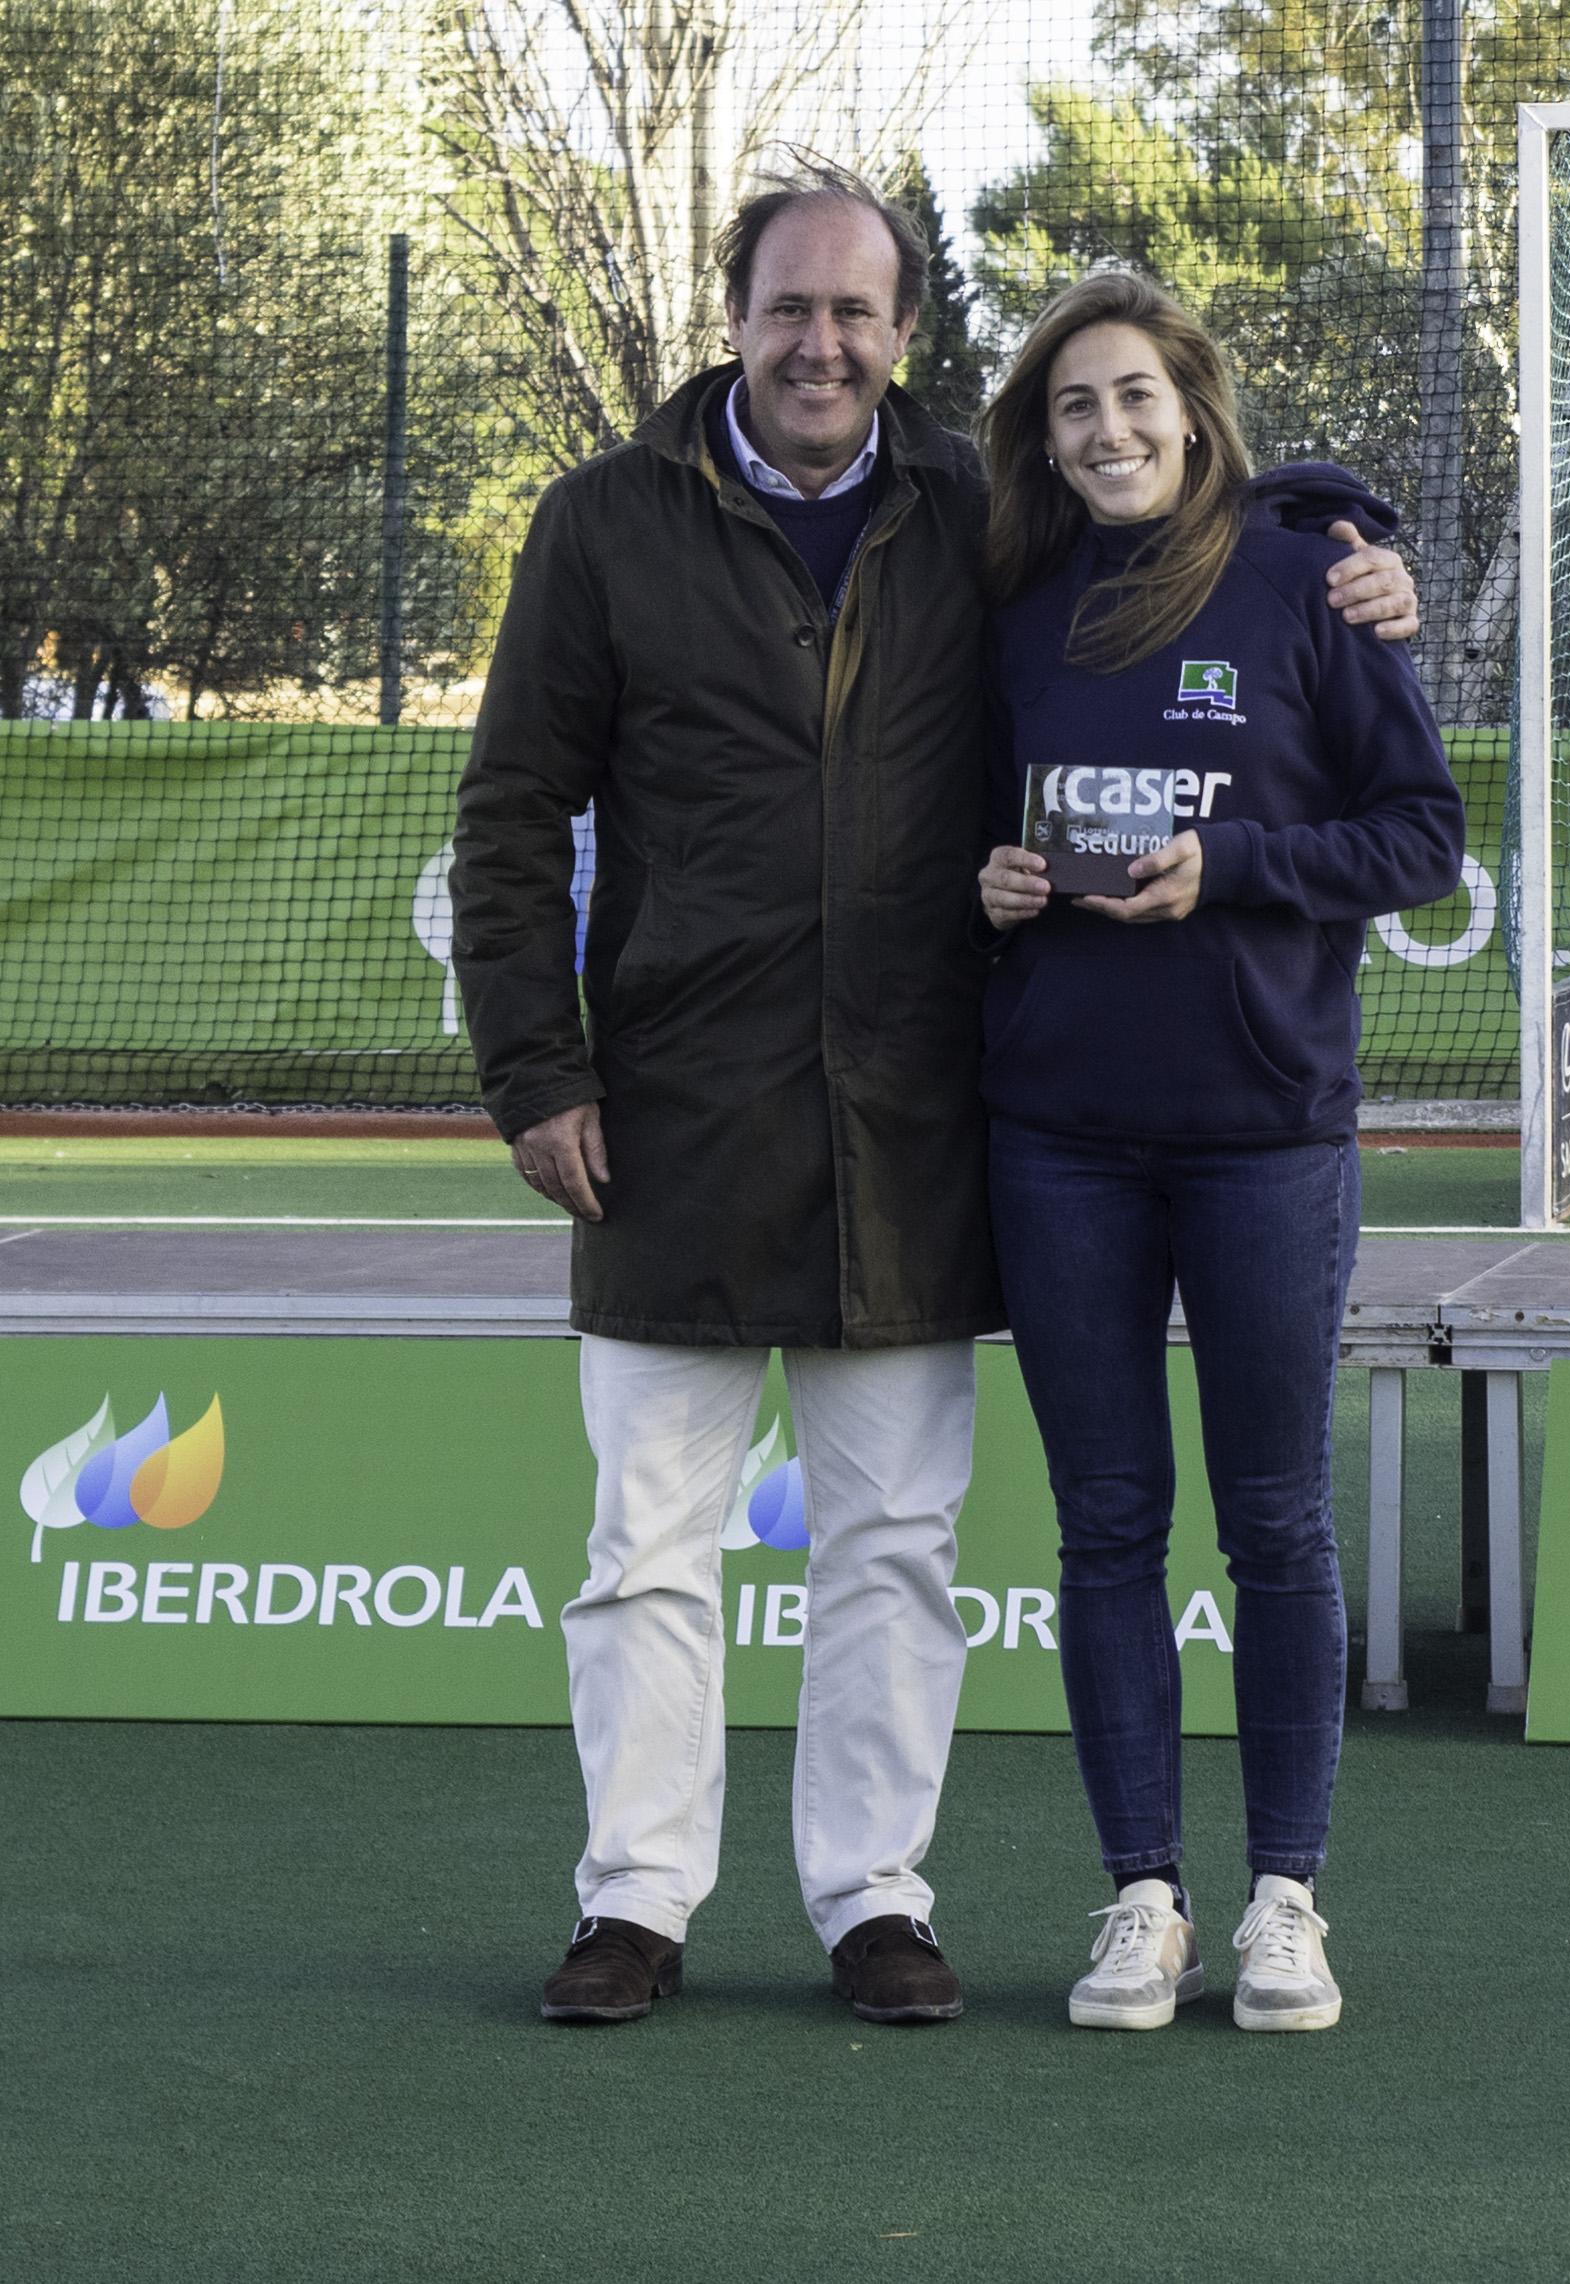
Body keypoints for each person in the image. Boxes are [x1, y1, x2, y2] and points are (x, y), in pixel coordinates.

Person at [450, 159, 1423, 2030]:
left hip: (914, 1121)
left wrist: (1346, 527)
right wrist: (534, 1071)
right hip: (664, 1117)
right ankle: (636, 1901)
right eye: (786, 307)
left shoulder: (982, 518)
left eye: (854, 313)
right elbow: (510, 821)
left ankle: (870, 1901)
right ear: (732, 319)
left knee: (890, 1544)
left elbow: (1184, 509)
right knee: (644, 1545)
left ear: (905, 336)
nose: (819, 343)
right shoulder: (598, 525)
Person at [976, 271, 1464, 2033]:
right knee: (1105, 1527)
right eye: (1070, 408)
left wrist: (1239, 865)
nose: (1105, 432)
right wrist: (998, 882)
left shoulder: (1306, 577)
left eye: (1132, 398)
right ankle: (1140, 1901)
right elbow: (969, 832)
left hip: (1264, 1138)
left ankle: (1281, 1900)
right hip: (1055, 1143)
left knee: (1274, 1523)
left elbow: (1421, 838)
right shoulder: (1011, 601)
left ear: (1192, 408)